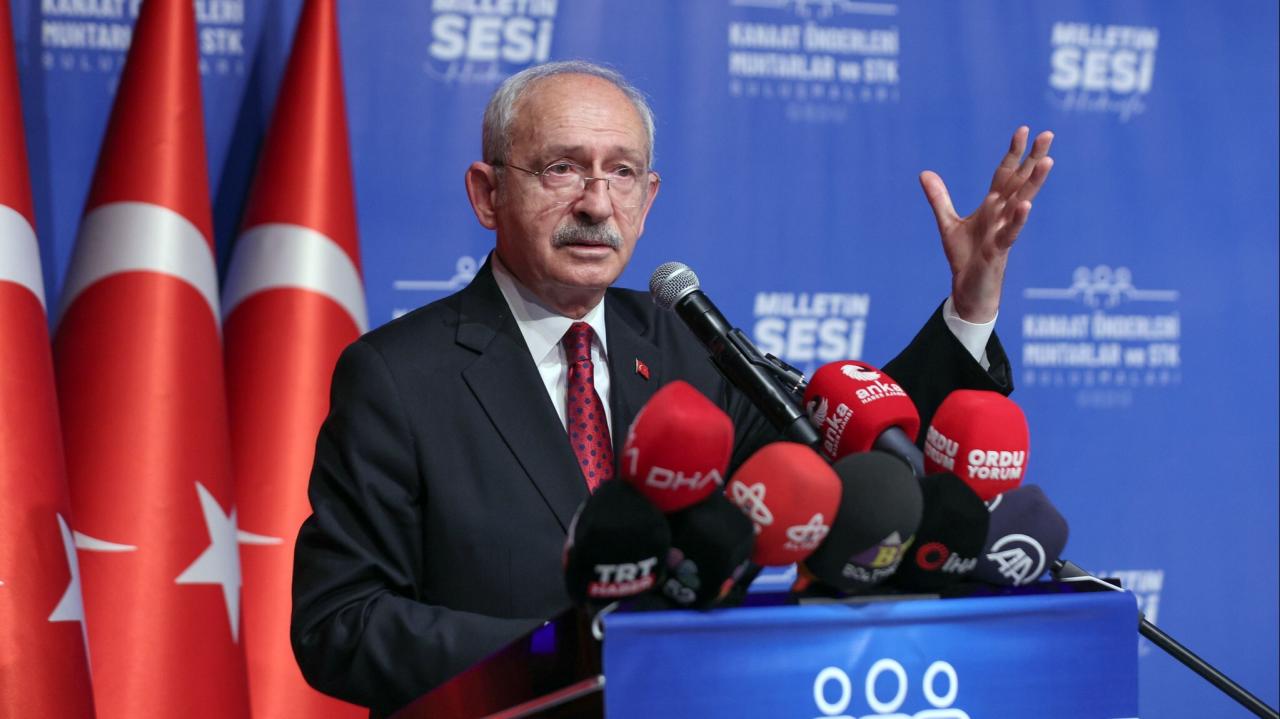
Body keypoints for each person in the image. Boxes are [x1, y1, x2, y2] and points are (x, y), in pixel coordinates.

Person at [290, 60, 1054, 714]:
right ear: (488, 193)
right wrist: (567, 650)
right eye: (562, 168)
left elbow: (844, 455)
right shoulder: (397, 376)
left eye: (621, 172)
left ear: (648, 198)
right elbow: (340, 621)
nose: (596, 203)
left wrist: (969, 307)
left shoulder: (685, 339)